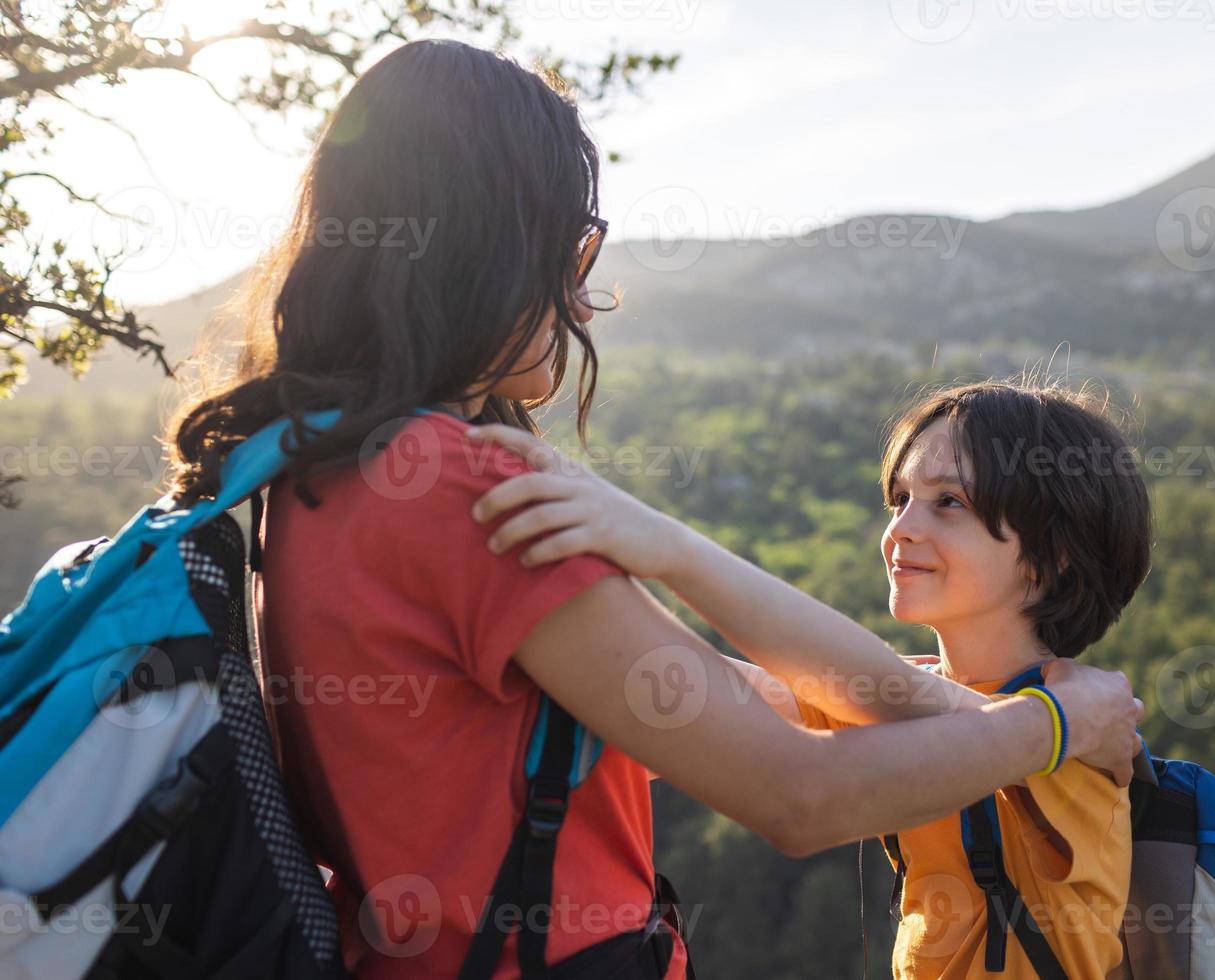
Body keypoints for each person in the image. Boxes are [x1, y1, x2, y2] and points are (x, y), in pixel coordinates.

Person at [163, 38, 1143, 979]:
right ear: (492, 250)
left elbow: (753, 692)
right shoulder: (462, 490)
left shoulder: (307, 471)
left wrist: (1009, 708)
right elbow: (797, 792)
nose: (584, 301)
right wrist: (1054, 724)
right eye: (575, 249)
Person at [467, 377, 1154, 980]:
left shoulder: (1084, 732)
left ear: (1052, 557)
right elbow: (693, 687)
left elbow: (911, 700)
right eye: (899, 498)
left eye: (950, 503)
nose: (900, 530)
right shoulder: (939, 699)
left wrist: (663, 546)